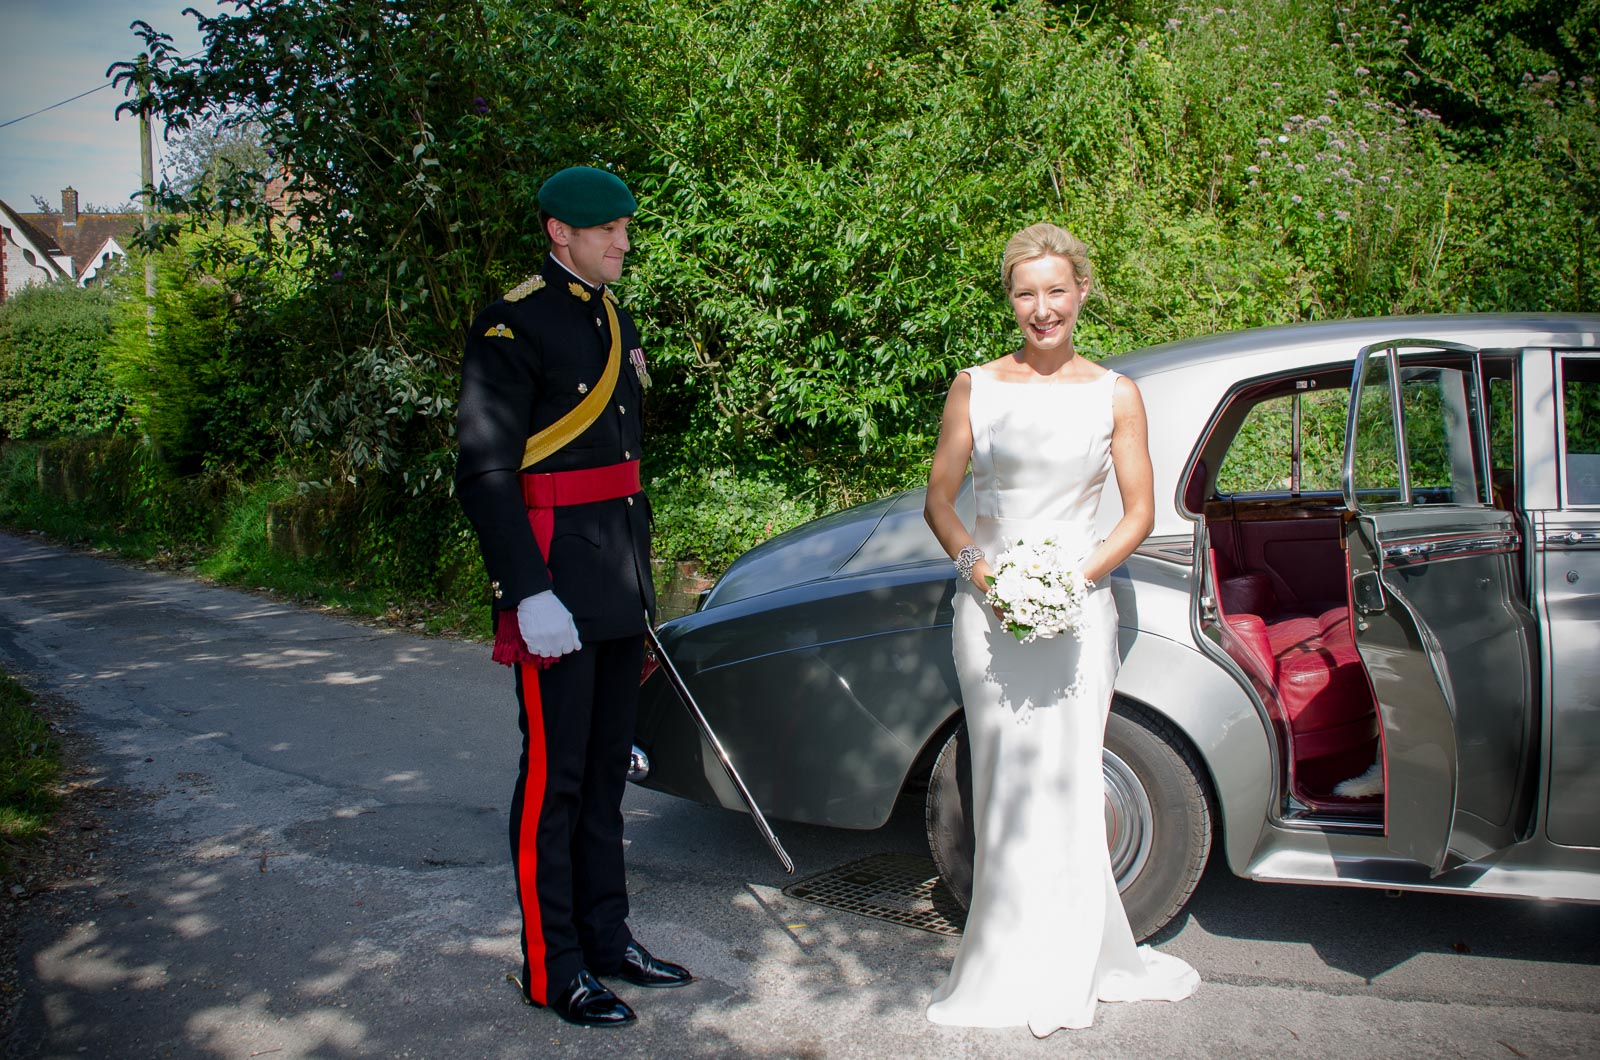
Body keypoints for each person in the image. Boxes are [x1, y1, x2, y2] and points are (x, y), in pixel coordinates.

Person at [922, 222, 1199, 1036]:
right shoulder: (975, 386)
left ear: (1081, 290)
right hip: (989, 611)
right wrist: (990, 579)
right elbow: (941, 501)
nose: (1041, 309)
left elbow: (1141, 513)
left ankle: (1079, 957)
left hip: (1079, 609)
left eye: (1055, 290)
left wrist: (1067, 585)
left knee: (1072, 783)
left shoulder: (1115, 392)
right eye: (1024, 293)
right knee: (1005, 783)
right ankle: (1002, 959)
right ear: (1010, 300)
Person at [455, 165, 692, 1029]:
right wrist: (526, 591)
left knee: (602, 779)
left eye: (625, 228)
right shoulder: (513, 320)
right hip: (554, 581)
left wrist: (639, 587)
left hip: (616, 580)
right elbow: (484, 471)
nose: (625, 242)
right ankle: (551, 968)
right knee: (553, 782)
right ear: (562, 232)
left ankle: (606, 937)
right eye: (609, 230)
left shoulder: (611, 311)